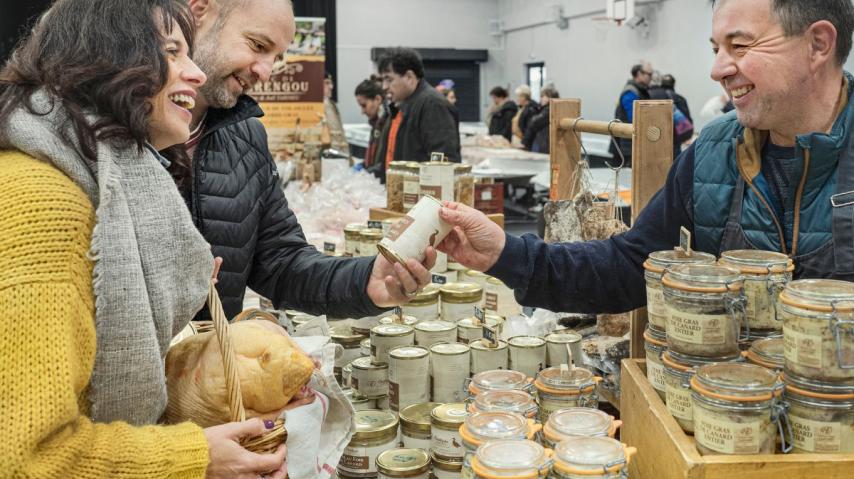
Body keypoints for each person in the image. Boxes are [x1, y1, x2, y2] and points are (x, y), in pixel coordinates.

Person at [0, 0, 294, 477]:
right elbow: (25, 456)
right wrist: (195, 458)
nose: (196, 73)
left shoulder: (109, 181)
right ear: (105, 56)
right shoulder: (44, 206)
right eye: (172, 53)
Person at [437, 0, 854, 315]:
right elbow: (630, 266)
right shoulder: (712, 154)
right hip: (726, 402)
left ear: (818, 44)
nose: (717, 69)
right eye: (716, 48)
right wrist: (505, 254)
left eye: (740, 45)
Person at [184, 0, 435, 319]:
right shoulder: (124, 132)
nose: (266, 72)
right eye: (257, 45)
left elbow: (281, 262)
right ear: (199, 10)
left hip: (213, 351)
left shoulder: (245, 137)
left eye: (276, 58)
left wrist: (365, 281)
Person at [378, 47, 461, 166]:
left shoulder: (433, 105)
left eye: (389, 80)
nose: (384, 87)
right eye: (383, 80)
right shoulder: (400, 107)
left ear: (409, 77)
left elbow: (443, 161)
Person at [610, 61, 653, 164]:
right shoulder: (631, 92)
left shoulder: (640, 91)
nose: (651, 78)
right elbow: (634, 118)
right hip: (628, 147)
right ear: (639, 74)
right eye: (649, 74)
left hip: (632, 144)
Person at [354, 76, 391, 180]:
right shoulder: (376, 124)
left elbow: (385, 161)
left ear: (378, 99)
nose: (362, 111)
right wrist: (364, 165)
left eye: (364, 105)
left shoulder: (388, 123)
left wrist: (366, 172)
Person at [649, 74, 694, 153]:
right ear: (674, 84)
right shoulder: (680, 98)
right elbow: (688, 121)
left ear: (661, 83)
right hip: (675, 139)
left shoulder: (652, 96)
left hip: (656, 137)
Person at [522, 85, 559, 154]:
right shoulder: (542, 109)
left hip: (544, 144)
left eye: (542, 96)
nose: (540, 99)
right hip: (542, 143)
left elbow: (534, 122)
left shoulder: (549, 110)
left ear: (550, 97)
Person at [323, 72, 351, 155]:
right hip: (329, 154)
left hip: (339, 153)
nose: (331, 87)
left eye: (331, 83)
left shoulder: (331, 104)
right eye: (327, 83)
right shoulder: (315, 106)